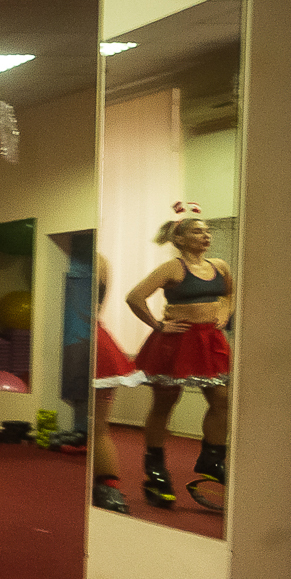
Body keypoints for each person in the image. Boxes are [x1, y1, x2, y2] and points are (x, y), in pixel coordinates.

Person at [125, 207, 232, 510]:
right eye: (198, 231)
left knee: (222, 400)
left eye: (207, 231)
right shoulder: (172, 268)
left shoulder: (220, 266)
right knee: (165, 403)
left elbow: (229, 294)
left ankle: (212, 459)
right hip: (176, 343)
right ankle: (156, 469)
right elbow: (134, 297)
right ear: (180, 238)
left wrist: (225, 312)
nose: (206, 235)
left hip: (209, 342)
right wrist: (158, 325)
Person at [91, 252, 145, 513]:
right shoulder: (97, 261)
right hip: (85, 339)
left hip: (90, 343)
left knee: (98, 425)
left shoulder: (97, 261)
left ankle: (108, 487)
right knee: (93, 425)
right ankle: (104, 486)